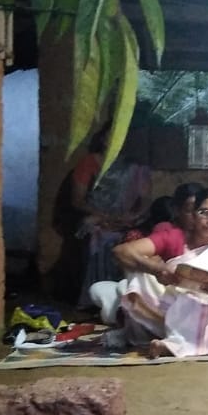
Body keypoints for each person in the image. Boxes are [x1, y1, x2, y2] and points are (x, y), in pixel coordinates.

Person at [94, 188, 208, 358]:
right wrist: (156, 269)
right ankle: (183, 341)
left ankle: (175, 343)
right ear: (193, 214)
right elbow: (121, 252)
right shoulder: (174, 236)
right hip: (167, 309)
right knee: (138, 273)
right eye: (204, 212)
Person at [68, 127, 152, 307]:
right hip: (98, 218)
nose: (115, 140)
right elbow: (77, 200)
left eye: (120, 136)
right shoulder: (89, 162)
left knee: (135, 238)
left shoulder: (137, 168)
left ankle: (125, 299)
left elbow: (145, 202)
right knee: (94, 233)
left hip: (126, 220)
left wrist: (130, 217)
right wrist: (104, 216)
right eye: (110, 136)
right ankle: (94, 299)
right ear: (102, 139)